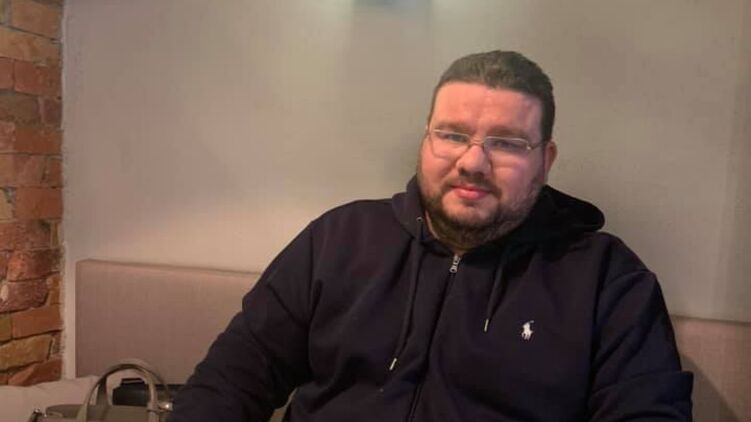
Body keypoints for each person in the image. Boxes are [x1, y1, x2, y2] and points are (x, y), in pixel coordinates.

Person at [170, 50, 693, 421]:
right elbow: (229, 383)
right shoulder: (337, 240)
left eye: (507, 143)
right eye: (453, 135)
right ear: (426, 141)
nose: (473, 162)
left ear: (545, 160)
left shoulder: (607, 281)